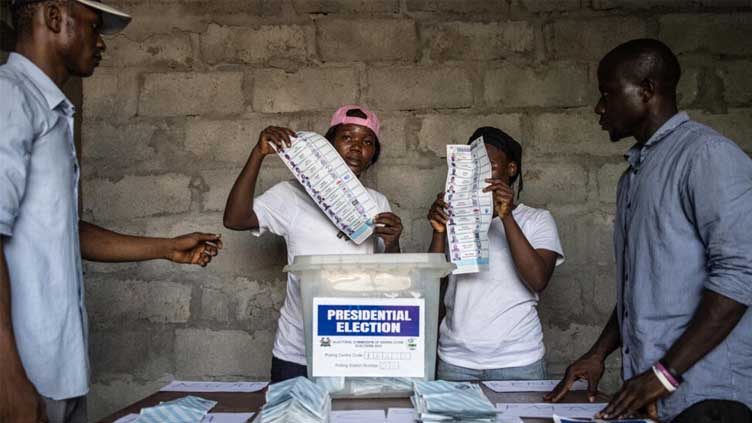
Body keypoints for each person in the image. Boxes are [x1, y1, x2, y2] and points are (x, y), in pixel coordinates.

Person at [0, 1, 223, 422]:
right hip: (20, 374)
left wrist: (165, 247)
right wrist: (7, 374)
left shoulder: (51, 110)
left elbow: (60, 231)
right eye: (93, 26)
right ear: (53, 18)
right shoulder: (9, 96)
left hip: (54, 370)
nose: (100, 42)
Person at [545, 39, 752, 423]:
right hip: (655, 395)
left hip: (707, 397)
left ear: (648, 90)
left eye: (608, 93)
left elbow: (741, 275)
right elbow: (640, 291)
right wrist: (599, 353)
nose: (599, 107)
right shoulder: (634, 176)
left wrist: (665, 373)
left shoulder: (707, 156)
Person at [223, 105, 403, 382]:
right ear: (328, 147)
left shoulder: (377, 203)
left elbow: (391, 280)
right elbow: (235, 219)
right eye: (347, 138)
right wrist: (258, 154)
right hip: (298, 352)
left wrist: (392, 244)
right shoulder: (290, 196)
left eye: (367, 142)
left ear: (373, 156)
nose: (356, 148)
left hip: (357, 349)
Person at [427, 127, 564, 381]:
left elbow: (537, 279)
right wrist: (438, 233)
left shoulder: (536, 220)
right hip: (456, 360)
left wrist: (506, 216)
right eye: (473, 166)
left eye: (488, 165)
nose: (479, 174)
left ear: (510, 170)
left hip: (518, 360)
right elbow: (432, 288)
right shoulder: (456, 220)